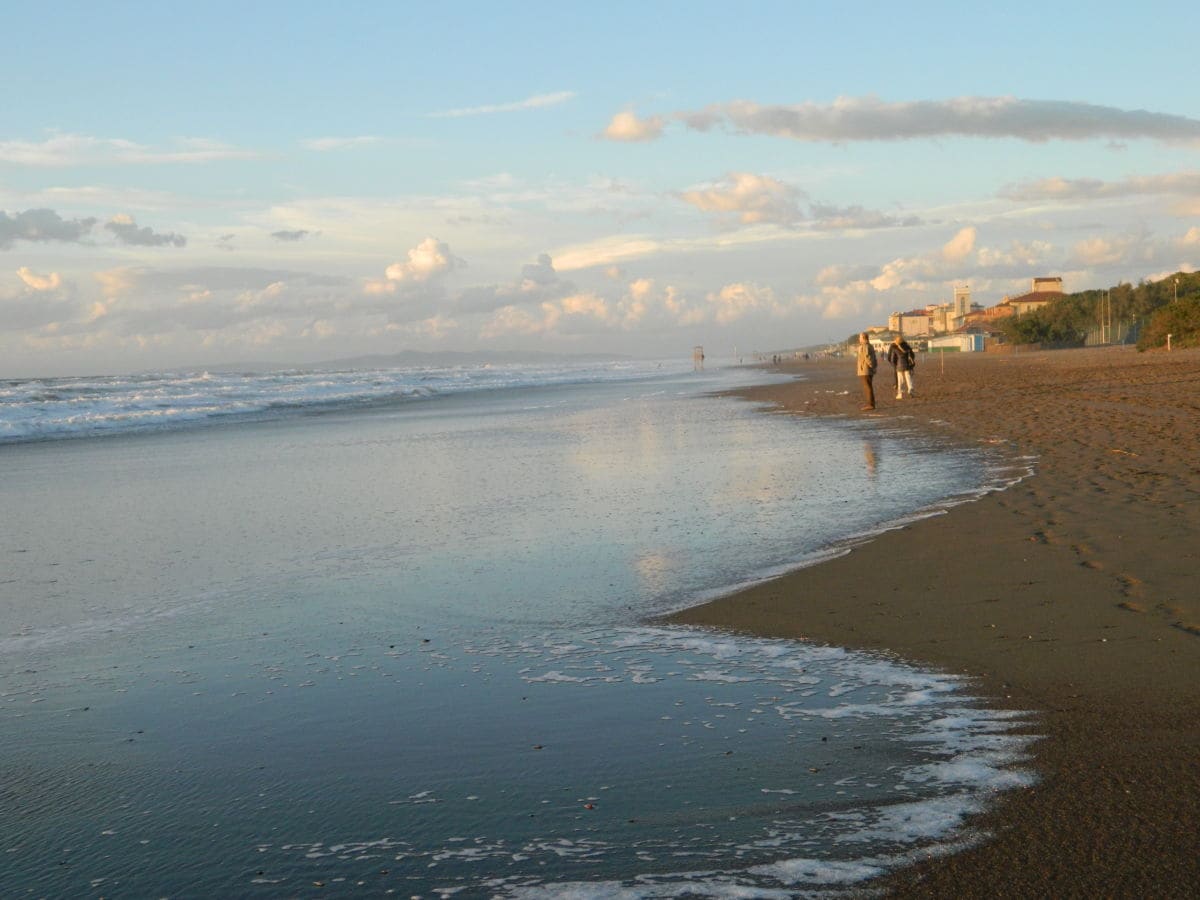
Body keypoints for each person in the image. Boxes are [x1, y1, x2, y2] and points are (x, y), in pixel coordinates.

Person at [887, 334, 916, 399]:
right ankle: (910, 389)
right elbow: (913, 355)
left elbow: (892, 359)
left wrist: (895, 365)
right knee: (908, 378)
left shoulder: (895, 348)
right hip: (907, 365)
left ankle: (900, 394)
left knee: (900, 381)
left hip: (899, 366)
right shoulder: (907, 346)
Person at [855, 332, 877, 410]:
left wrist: (871, 366)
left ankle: (870, 404)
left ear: (863, 338)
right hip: (867, 369)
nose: (859, 339)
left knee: (867, 387)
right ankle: (871, 403)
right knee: (869, 386)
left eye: (860, 337)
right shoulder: (869, 345)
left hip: (865, 370)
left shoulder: (865, 346)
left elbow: (867, 358)